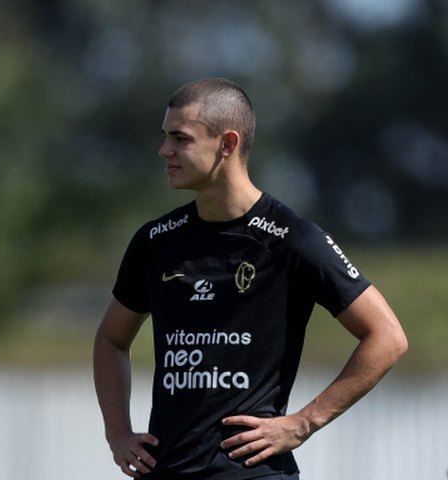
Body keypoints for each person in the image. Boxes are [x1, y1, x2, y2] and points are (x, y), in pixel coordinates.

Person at [93, 78, 408, 479]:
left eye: (180, 138)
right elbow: (111, 340)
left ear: (227, 143)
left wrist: (303, 422)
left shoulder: (293, 239)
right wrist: (117, 433)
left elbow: (387, 337)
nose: (164, 150)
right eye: (164, 137)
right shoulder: (155, 242)